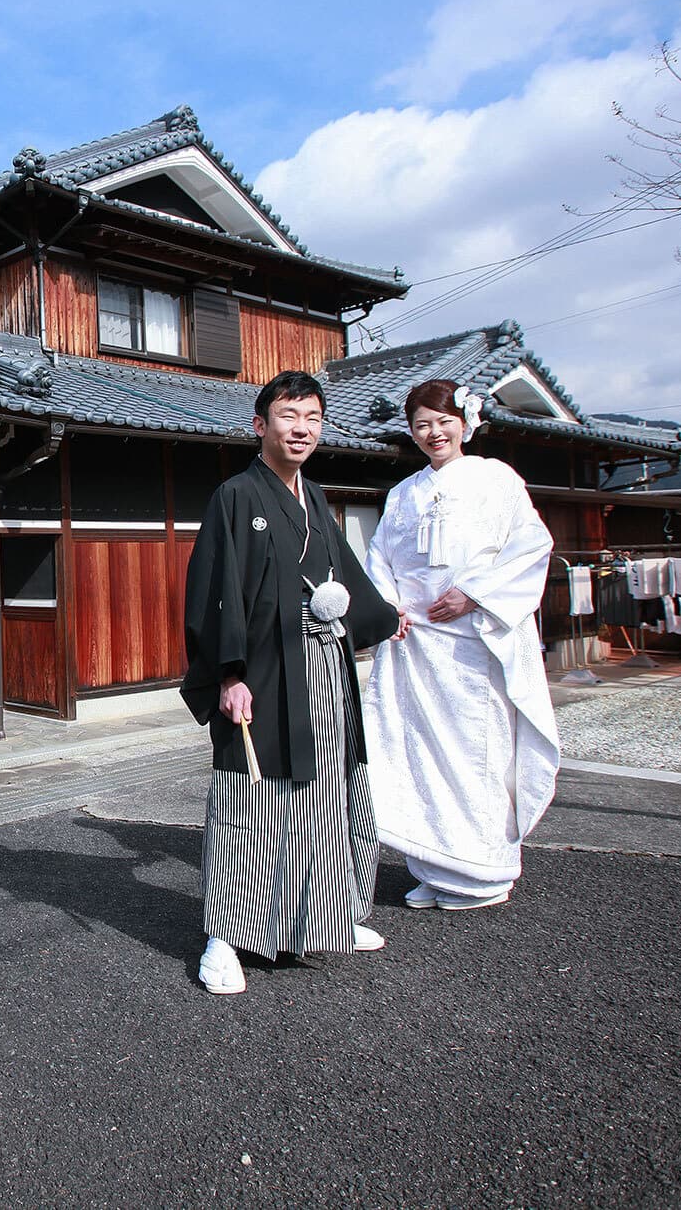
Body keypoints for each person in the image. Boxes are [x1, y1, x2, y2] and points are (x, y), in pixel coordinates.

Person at [181, 371, 400, 995]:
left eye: (312, 417)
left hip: (325, 669)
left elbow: (346, 578)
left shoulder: (316, 495)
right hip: (263, 669)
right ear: (260, 425)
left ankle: (326, 915)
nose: (301, 428)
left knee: (329, 788)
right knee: (252, 800)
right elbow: (214, 591)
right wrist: (229, 673)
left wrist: (382, 618)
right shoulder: (236, 495)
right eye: (287, 416)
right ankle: (225, 936)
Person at [362, 378, 560, 911]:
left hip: (474, 641)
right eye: (422, 424)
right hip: (418, 642)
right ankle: (433, 865)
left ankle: (483, 870)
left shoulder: (496, 479)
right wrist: (390, 608)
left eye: (443, 421)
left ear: (464, 423)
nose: (434, 433)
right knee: (418, 750)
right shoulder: (403, 493)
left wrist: (473, 594)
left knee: (477, 749)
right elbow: (379, 557)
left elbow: (531, 545)